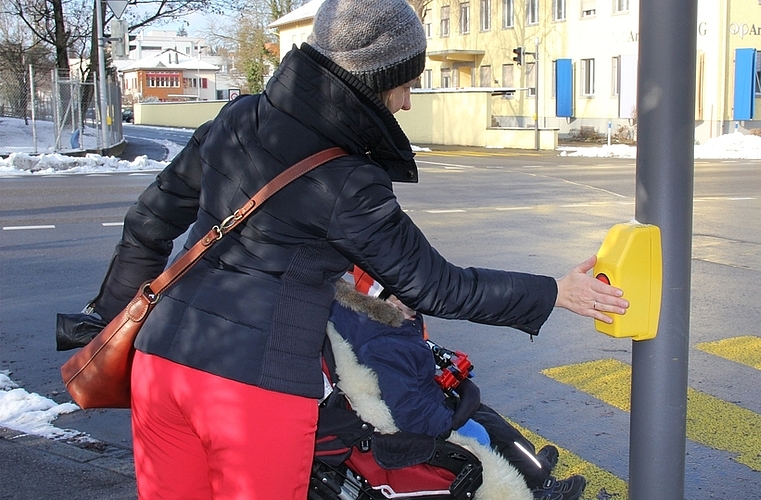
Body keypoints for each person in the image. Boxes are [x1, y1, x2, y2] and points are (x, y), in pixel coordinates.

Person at [75, 0, 627, 498]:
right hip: (250, 394)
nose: (408, 103)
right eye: (404, 84)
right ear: (373, 79)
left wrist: (110, 315)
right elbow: (436, 284)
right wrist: (555, 292)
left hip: (161, 366)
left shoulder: (237, 117)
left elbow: (149, 221)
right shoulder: (345, 179)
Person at [328, 276, 587, 500]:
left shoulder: (393, 327)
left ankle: (533, 467)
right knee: (495, 434)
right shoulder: (387, 344)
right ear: (385, 301)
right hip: (433, 420)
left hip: (433, 402)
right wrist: (449, 422)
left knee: (494, 422)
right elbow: (409, 410)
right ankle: (541, 486)